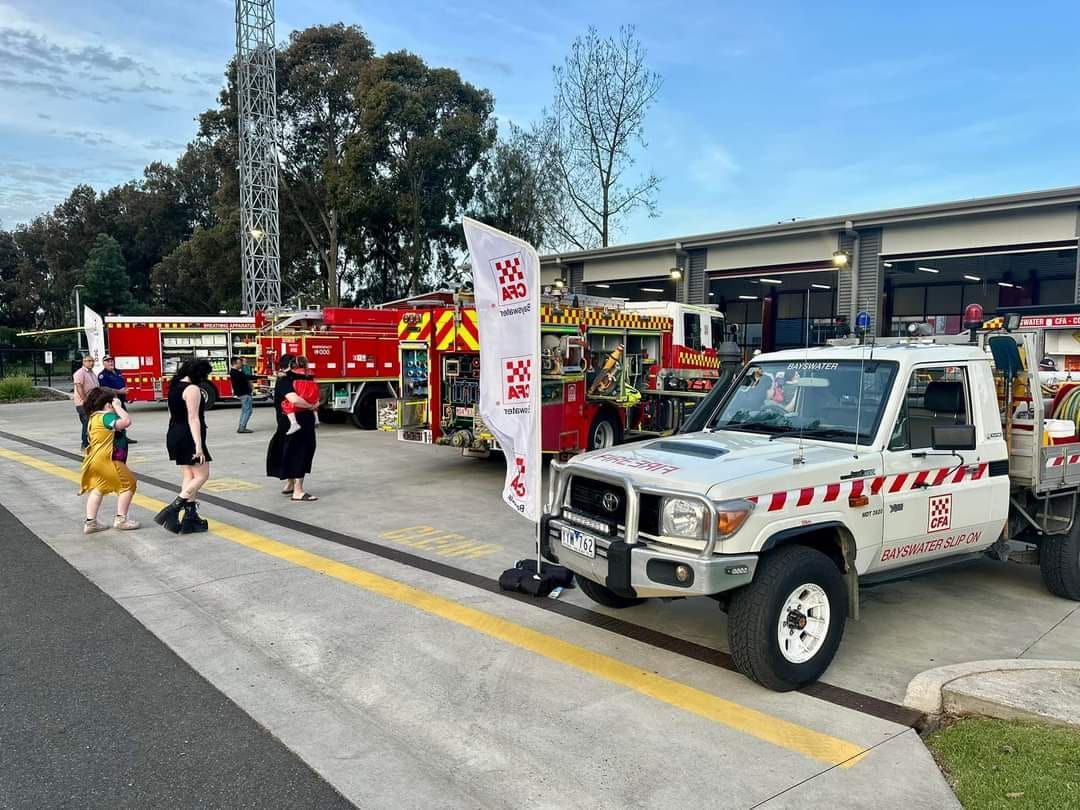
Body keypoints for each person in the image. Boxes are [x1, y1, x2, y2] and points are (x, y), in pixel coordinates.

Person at [155, 360, 213, 533]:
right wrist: (199, 446)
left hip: (175, 432)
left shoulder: (174, 387)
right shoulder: (192, 389)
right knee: (202, 475)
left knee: (189, 474)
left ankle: (190, 517)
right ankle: (173, 509)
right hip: (188, 435)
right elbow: (193, 418)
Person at [78, 386, 140, 534]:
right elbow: (126, 422)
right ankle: (121, 519)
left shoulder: (93, 417)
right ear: (108, 404)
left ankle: (91, 522)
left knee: (98, 488)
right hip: (109, 459)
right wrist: (118, 407)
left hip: (95, 460)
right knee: (129, 484)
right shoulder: (106, 416)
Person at [266, 355, 319, 501]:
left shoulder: (283, 380)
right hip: (301, 423)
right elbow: (295, 400)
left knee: (288, 451)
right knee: (300, 453)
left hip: (285, 423)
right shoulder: (302, 379)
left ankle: (289, 484)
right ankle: (298, 491)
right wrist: (311, 406)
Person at [97, 355, 137, 444]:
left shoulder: (118, 372)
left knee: (123, 417)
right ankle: (113, 438)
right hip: (111, 401)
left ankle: (123, 437)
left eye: (111, 361)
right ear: (103, 363)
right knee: (113, 420)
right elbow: (105, 389)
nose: (110, 363)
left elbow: (122, 383)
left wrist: (125, 391)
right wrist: (119, 391)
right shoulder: (103, 376)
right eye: (108, 361)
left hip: (120, 400)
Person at [73, 354, 98, 452]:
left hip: (93, 402)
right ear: (83, 362)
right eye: (89, 361)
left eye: (92, 361)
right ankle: (85, 444)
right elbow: (79, 387)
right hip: (83, 403)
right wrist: (85, 400)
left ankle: (91, 442)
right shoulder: (80, 373)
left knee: (92, 423)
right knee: (86, 423)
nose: (91, 363)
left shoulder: (92, 373)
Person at [229, 357, 256, 434]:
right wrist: (264, 377)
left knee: (245, 410)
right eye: (239, 363)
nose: (241, 364)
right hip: (244, 394)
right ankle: (242, 427)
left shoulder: (234, 372)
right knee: (248, 411)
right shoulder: (236, 373)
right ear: (235, 363)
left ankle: (241, 426)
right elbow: (248, 377)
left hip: (242, 394)